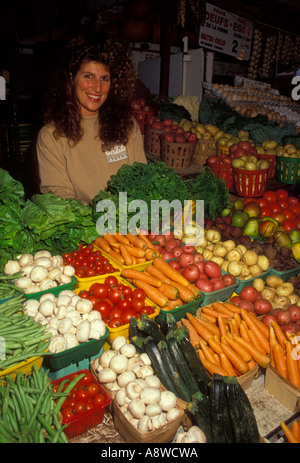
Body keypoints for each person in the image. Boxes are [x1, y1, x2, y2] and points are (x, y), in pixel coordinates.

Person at [36, 33, 147, 205]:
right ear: (72, 77)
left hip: (129, 224)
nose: (97, 88)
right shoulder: (52, 136)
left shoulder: (128, 125)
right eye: (88, 76)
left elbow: (142, 179)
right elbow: (59, 198)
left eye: (105, 79)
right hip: (86, 227)